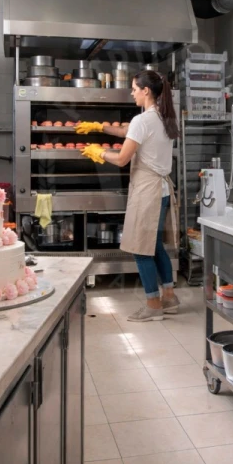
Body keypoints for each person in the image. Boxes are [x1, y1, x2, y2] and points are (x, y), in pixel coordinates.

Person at [77, 70, 179, 322]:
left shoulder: (142, 120)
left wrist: (99, 153)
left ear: (146, 91)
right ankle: (169, 297)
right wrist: (100, 127)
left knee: (140, 249)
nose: (132, 93)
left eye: (134, 89)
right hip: (162, 190)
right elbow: (128, 133)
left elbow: (122, 159)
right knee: (155, 245)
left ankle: (153, 305)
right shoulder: (164, 117)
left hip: (147, 192)